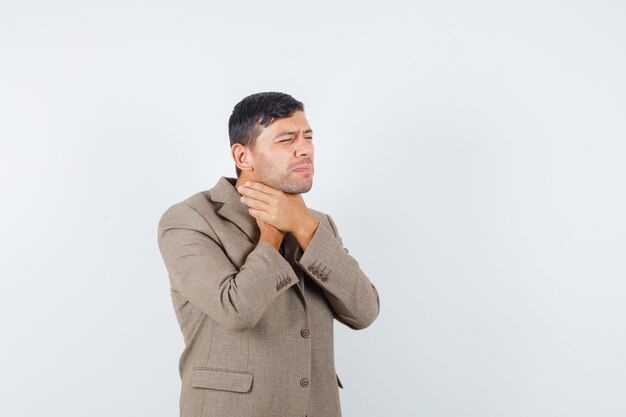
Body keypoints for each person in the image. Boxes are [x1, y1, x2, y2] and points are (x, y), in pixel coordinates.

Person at [157, 91, 380, 417]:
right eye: (287, 139)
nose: (304, 149)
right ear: (243, 156)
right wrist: (273, 233)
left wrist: (304, 227)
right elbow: (236, 310)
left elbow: (364, 311)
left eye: (308, 137)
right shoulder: (190, 220)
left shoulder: (318, 225)